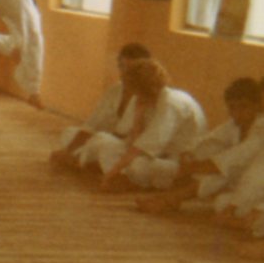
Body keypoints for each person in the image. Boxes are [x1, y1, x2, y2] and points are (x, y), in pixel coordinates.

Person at [136, 77, 264, 214]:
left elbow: (231, 160)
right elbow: (207, 142)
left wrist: (189, 168)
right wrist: (189, 154)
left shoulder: (261, 128)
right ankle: (169, 198)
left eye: (244, 107)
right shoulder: (233, 126)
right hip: (243, 184)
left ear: (256, 106)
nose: (237, 113)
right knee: (221, 201)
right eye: (232, 108)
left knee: (220, 174)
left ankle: (169, 199)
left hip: (256, 185)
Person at [81, 59, 207, 192]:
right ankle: (123, 178)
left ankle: (125, 179)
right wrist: (138, 116)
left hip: (179, 161)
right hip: (156, 155)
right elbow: (135, 142)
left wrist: (111, 173)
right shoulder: (144, 100)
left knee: (137, 165)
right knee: (103, 140)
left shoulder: (172, 103)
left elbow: (142, 148)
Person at [50, 42, 152, 172]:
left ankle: (82, 160)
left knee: (102, 143)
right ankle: (83, 160)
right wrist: (67, 151)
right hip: (105, 140)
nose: (125, 74)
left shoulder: (147, 96)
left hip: (129, 148)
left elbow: (143, 139)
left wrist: (104, 138)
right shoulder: (115, 90)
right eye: (122, 67)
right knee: (69, 133)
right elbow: (91, 124)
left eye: (132, 70)